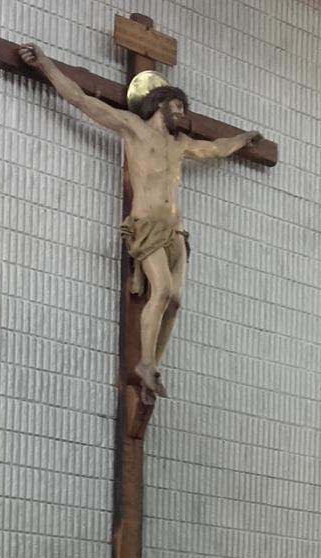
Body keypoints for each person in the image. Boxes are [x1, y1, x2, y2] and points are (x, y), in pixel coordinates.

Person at [19, 44, 261, 403]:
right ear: (159, 106)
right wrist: (45, 66)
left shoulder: (180, 145)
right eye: (177, 107)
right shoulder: (133, 128)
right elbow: (82, 100)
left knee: (175, 301)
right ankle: (144, 364)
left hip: (176, 232)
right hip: (147, 225)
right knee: (160, 291)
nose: (182, 115)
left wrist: (242, 140)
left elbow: (215, 149)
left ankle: (153, 366)